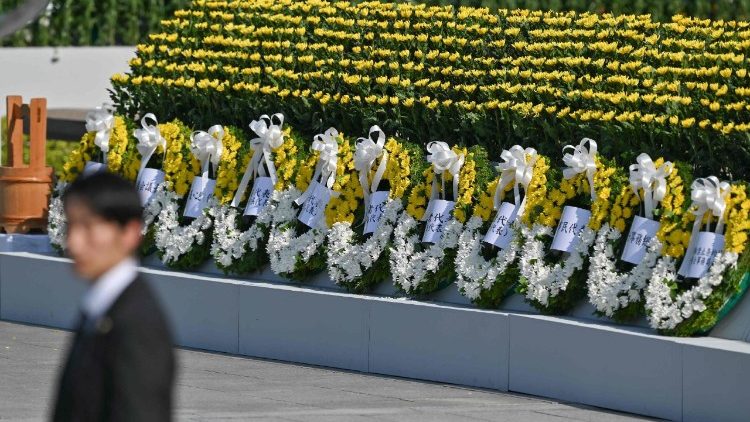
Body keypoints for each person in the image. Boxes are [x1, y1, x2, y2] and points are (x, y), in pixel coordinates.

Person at [52, 171, 175, 422]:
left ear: (130, 232)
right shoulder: (102, 306)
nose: (73, 243)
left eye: (88, 227)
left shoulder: (136, 324)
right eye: (70, 226)